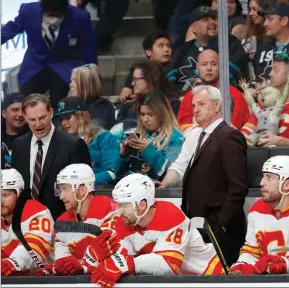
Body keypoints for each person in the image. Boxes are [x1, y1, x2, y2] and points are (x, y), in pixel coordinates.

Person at [90, 174, 224, 288]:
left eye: (124, 205)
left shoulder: (170, 215)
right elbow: (122, 255)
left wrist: (126, 262)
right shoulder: (127, 219)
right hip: (178, 282)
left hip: (210, 277)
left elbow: (168, 265)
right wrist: (87, 263)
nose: (119, 211)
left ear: (142, 205)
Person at [177, 85, 248, 267]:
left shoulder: (229, 136)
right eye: (194, 106)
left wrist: (222, 222)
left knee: (222, 277)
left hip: (219, 229)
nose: (196, 110)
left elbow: (238, 185)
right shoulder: (200, 136)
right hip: (199, 227)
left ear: (217, 106)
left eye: (201, 104)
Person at [1, 0, 97, 108]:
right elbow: (10, 29)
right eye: (50, 15)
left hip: (64, 63)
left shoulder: (80, 17)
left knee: (59, 104)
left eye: (57, 15)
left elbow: (88, 47)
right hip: (35, 63)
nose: (53, 19)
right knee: (29, 102)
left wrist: (91, 70)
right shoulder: (28, 11)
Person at [11, 94, 91, 219]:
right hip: (26, 221)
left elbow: (84, 190)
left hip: (62, 221)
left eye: (42, 117)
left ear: (51, 113)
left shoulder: (73, 145)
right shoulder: (18, 145)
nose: (38, 124)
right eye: (32, 119)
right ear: (25, 118)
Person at [229, 155, 289, 274]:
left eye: (269, 177)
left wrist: (283, 264)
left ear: (287, 184)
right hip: (270, 278)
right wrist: (242, 264)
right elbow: (252, 250)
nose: (261, 183)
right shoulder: (257, 208)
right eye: (263, 176)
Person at [38, 164, 120, 276]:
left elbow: (113, 256)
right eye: (60, 190)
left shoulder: (111, 210)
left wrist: (80, 265)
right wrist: (57, 269)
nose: (61, 196)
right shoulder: (62, 221)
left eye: (65, 189)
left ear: (82, 190)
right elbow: (63, 262)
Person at [241, 52, 289, 146]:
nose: (270, 74)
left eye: (275, 70)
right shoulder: (266, 101)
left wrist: (283, 142)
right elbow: (246, 132)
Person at [171, 6, 249, 91]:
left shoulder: (230, 43)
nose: (212, 22)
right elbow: (170, 79)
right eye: (205, 19)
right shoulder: (184, 50)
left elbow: (233, 75)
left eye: (214, 18)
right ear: (193, 28)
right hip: (186, 100)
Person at [177, 48, 250, 136]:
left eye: (213, 64)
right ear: (197, 67)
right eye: (204, 64)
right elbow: (186, 130)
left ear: (220, 66)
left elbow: (233, 130)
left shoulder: (234, 96)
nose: (209, 68)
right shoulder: (189, 97)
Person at [118, 91, 183, 181]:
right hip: (128, 188)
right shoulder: (135, 134)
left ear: (162, 114)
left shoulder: (176, 139)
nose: (145, 119)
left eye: (150, 114)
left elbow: (172, 175)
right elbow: (118, 175)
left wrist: (149, 150)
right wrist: (122, 156)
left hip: (156, 192)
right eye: (142, 114)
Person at [55, 97, 119, 186]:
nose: (64, 123)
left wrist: (83, 183)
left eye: (68, 118)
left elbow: (112, 172)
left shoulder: (103, 137)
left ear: (81, 116)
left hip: (98, 191)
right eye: (61, 120)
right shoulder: (61, 143)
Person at [1, 169, 53, 277]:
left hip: (46, 280)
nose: (1, 201)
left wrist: (13, 262)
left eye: (5, 195)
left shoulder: (36, 211)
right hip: (12, 279)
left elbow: (35, 246)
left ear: (19, 193)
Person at [254, 1, 289, 85]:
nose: (265, 23)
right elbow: (256, 79)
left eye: (270, 19)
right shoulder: (262, 47)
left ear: (284, 21)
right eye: (265, 19)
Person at [119, 31, 177, 103]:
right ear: (148, 52)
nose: (166, 49)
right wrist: (127, 97)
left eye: (168, 46)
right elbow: (125, 92)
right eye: (161, 46)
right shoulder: (139, 69)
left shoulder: (177, 67)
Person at [68, 64, 116, 130]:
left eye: (75, 81)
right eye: (71, 81)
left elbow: (94, 133)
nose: (71, 85)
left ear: (87, 85)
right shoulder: (69, 105)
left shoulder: (103, 106)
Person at [1, 93, 28, 169]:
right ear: (4, 113)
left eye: (23, 110)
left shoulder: (35, 135)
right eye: (15, 110)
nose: (20, 114)